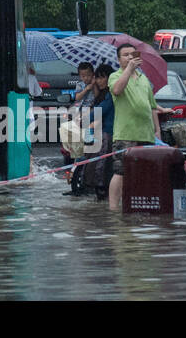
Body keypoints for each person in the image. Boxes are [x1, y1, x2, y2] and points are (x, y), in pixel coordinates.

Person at [107, 43, 162, 212]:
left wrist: (157, 130)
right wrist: (129, 70)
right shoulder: (115, 76)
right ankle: (114, 208)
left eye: (133, 54)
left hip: (145, 134)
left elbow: (151, 105)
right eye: (125, 55)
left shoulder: (143, 78)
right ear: (119, 59)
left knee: (145, 173)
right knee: (121, 171)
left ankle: (139, 204)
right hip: (125, 133)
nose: (130, 57)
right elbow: (116, 90)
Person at [81, 64, 116, 198]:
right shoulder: (102, 94)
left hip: (106, 134)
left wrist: (85, 118)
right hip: (97, 133)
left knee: (100, 168)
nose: (99, 81)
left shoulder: (111, 95)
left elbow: (99, 111)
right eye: (97, 78)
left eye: (103, 78)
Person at [59, 63, 96, 164]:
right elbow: (77, 97)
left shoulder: (96, 83)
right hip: (81, 110)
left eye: (88, 75)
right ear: (80, 76)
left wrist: (93, 86)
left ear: (93, 74)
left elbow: (97, 96)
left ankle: (88, 145)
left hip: (92, 109)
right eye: (83, 76)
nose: (86, 78)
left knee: (88, 128)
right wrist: (87, 89)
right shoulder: (80, 84)